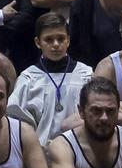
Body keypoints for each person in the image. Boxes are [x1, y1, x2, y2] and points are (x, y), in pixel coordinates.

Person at [8, 11, 94, 145]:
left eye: (61, 38)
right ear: (38, 42)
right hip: (40, 151)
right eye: (48, 39)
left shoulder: (86, 75)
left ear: (68, 40)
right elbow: (16, 122)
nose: (55, 44)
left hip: (81, 149)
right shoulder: (28, 78)